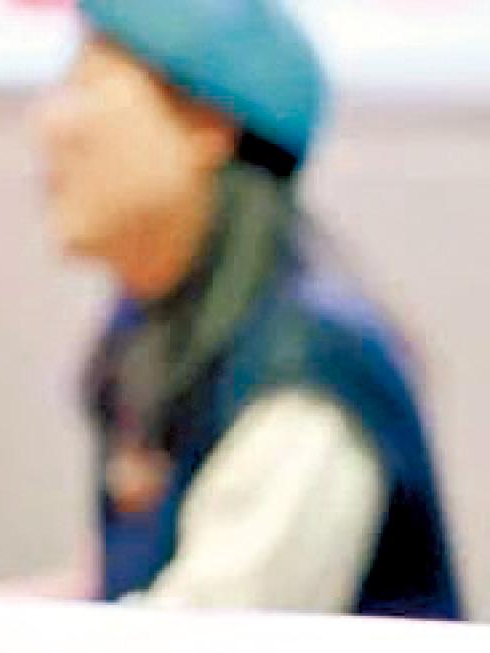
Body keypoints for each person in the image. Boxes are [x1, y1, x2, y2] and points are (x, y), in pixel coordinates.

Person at [26, 0, 461, 617]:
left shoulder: (307, 365)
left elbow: (203, 643)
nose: (47, 123)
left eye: (86, 85)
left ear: (208, 123)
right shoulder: (156, 326)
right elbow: (107, 581)